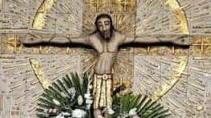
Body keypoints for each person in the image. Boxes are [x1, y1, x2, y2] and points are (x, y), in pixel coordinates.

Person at [23, 13, 190, 109]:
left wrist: (173, 39)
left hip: (109, 76)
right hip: (97, 75)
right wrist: (39, 39)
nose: (104, 27)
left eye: (106, 23)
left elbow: (146, 38)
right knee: (97, 107)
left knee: (107, 107)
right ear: (97, 26)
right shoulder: (92, 39)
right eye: (100, 24)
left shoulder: (119, 38)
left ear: (111, 24)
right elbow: (66, 39)